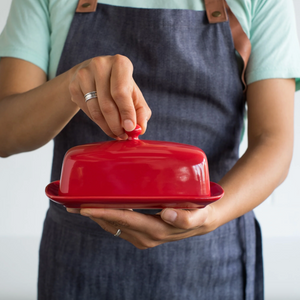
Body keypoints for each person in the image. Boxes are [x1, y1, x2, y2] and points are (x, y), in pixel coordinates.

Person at [0, 0, 299, 299]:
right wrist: (74, 82)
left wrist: (211, 215)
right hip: (77, 259)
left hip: (212, 257)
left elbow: (273, 140)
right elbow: (5, 134)